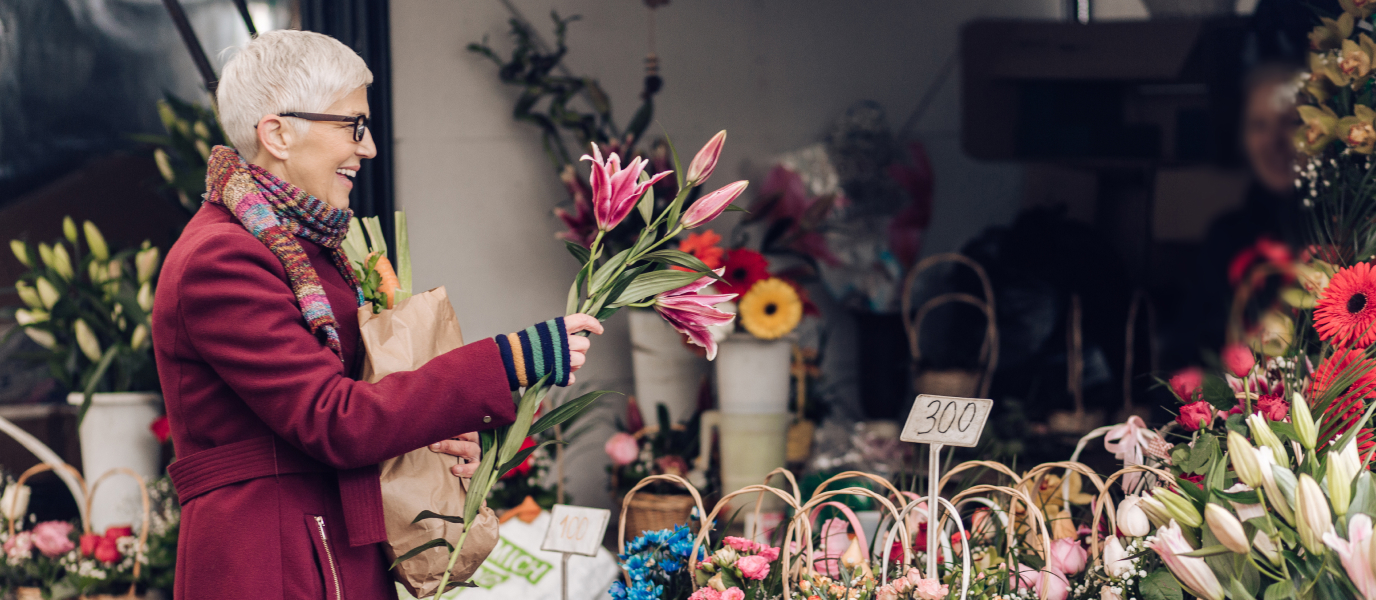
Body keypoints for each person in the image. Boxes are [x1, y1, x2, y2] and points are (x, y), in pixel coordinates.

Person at [151, 30, 602, 599]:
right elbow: (332, 419)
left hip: (324, 543)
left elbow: (354, 402)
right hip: (268, 559)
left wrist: (436, 435)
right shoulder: (222, 258)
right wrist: (511, 359)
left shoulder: (302, 245)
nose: (368, 148)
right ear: (278, 133)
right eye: (352, 126)